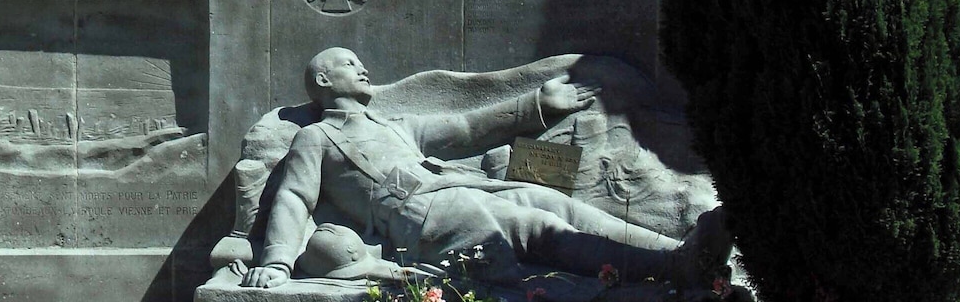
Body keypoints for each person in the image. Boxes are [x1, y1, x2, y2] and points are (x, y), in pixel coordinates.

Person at [240, 47, 728, 288]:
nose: (363, 68)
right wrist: (277, 262)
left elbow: (468, 128)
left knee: (552, 200)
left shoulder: (396, 125)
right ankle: (673, 268)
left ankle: (680, 252)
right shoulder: (317, 137)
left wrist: (537, 102)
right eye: (350, 63)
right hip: (416, 218)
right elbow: (294, 197)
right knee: (530, 225)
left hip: (456, 190)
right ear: (324, 79)